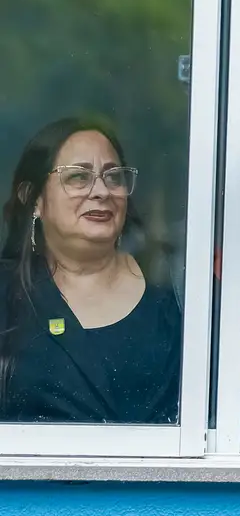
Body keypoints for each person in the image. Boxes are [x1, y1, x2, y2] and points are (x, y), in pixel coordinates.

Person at [0, 118, 181, 424]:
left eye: (113, 177)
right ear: (33, 199)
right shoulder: (6, 293)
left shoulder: (177, 288)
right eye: (78, 177)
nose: (101, 191)